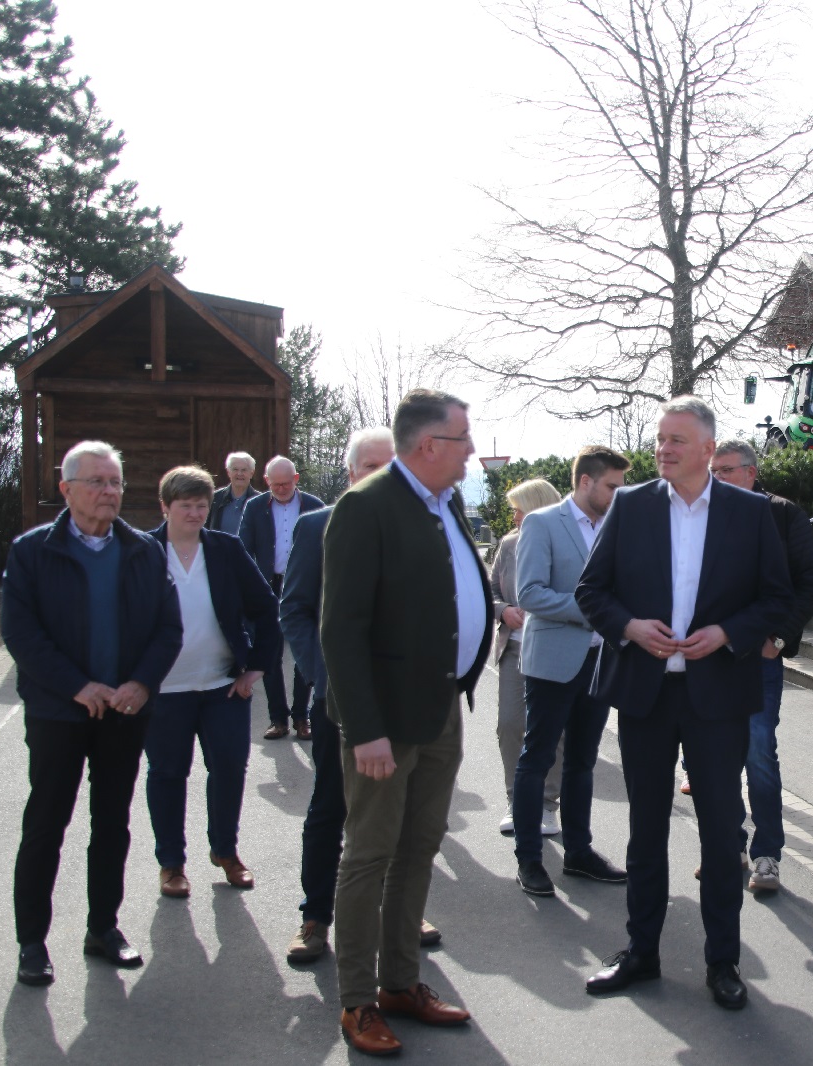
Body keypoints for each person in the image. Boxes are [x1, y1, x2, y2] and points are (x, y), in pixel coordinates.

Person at [575, 396, 791, 1011]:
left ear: (707, 448)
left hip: (717, 697)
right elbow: (591, 589)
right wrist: (629, 627)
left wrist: (727, 634)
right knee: (646, 830)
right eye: (659, 438)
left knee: (721, 834)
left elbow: (777, 598)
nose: (662, 449)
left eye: (676, 440)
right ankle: (641, 952)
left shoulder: (750, 512)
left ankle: (723, 962)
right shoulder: (632, 505)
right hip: (645, 695)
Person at [321, 390, 492, 1055]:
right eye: (463, 438)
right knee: (369, 855)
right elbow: (341, 631)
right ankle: (357, 1001)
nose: (471, 450)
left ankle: (399, 983)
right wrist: (364, 729)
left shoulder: (443, 502)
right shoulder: (365, 507)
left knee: (420, 847)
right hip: (383, 721)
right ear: (429, 445)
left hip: (439, 707)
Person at [1, 441, 183, 986]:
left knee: (112, 824)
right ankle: (32, 942)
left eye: (116, 482)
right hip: (58, 713)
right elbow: (21, 634)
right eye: (97, 481)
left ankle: (103, 928)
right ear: (66, 489)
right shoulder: (32, 551)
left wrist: (142, 683)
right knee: (46, 824)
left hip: (124, 712)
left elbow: (168, 628)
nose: (109, 492)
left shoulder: (143, 550)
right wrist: (77, 686)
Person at [281, 427, 442, 965]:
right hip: (341, 701)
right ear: (351, 474)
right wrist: (326, 677)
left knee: (401, 812)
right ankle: (315, 917)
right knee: (331, 807)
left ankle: (399, 912)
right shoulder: (317, 526)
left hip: (405, 704)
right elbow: (296, 609)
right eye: (371, 467)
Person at [144, 465, 281, 898]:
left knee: (228, 769)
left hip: (224, 687)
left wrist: (256, 667)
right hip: (163, 692)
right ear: (165, 507)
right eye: (185, 505)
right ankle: (171, 863)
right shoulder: (142, 552)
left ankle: (225, 851)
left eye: (202, 505)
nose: (195, 513)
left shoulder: (225, 549)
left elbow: (266, 608)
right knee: (167, 774)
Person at [511, 446, 632, 897]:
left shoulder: (615, 526)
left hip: (601, 662)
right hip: (553, 662)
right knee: (538, 758)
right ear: (585, 482)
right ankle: (529, 859)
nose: (618, 495)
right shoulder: (542, 523)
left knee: (582, 761)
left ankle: (579, 853)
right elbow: (530, 593)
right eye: (612, 486)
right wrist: (596, 612)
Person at [707, 440, 813, 893]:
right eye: (713, 471)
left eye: (726, 470)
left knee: (758, 754)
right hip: (709, 657)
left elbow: (810, 582)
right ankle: (730, 846)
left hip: (759, 657)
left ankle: (767, 855)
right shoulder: (701, 513)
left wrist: (778, 639)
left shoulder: (783, 514)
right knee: (716, 757)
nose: (717, 478)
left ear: (751, 472)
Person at [490, 478, 565, 841]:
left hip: (554, 650)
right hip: (515, 649)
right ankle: (515, 800)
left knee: (553, 730)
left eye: (519, 510)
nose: (515, 518)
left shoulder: (566, 541)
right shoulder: (508, 544)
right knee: (509, 725)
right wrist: (503, 610)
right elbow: (490, 590)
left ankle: (547, 804)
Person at [238, 455, 324, 740]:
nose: (281, 489)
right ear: (266, 481)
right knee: (270, 652)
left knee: (304, 650)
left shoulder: (314, 505)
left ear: (296, 479)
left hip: (304, 585)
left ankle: (302, 716)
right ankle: (278, 718)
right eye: (275, 484)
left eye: (286, 483)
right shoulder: (254, 508)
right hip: (269, 586)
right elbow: (243, 550)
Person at [208, 451, 261, 533]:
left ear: (251, 473)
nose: (239, 473)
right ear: (228, 472)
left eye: (244, 470)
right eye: (235, 469)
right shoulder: (215, 498)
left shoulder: (260, 501)